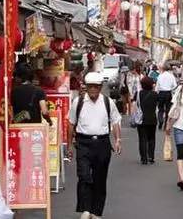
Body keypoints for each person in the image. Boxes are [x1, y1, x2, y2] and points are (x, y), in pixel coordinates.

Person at [67, 72, 122, 219]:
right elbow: (71, 123)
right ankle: (85, 209)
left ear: (100, 87)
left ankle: (96, 211)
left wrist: (117, 140)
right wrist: (69, 146)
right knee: (84, 175)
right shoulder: (78, 102)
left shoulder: (107, 102)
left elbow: (115, 121)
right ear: (86, 87)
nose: (93, 90)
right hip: (83, 143)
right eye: (90, 87)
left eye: (96, 87)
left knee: (100, 177)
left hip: (102, 143)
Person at [134, 76, 157, 165]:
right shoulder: (155, 94)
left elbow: (135, 104)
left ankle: (143, 158)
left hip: (142, 119)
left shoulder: (138, 94)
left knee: (142, 138)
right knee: (152, 138)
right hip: (152, 119)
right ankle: (151, 156)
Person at [155, 63, 177, 130]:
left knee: (160, 109)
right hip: (168, 93)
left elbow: (157, 87)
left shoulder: (160, 76)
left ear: (163, 69)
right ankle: (166, 124)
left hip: (161, 93)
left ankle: (160, 120)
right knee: (168, 109)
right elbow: (175, 85)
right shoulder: (171, 76)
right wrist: (171, 89)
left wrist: (156, 93)